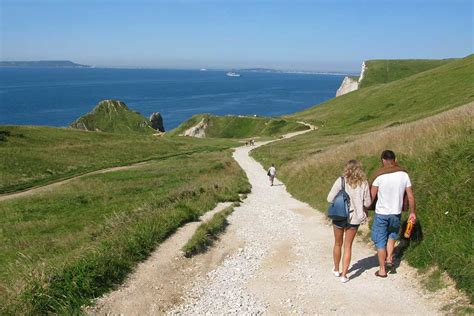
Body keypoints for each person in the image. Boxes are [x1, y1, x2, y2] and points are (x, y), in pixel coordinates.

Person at [370, 150, 416, 278]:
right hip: (396, 213)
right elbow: (411, 196)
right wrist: (412, 212)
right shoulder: (403, 174)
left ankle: (382, 270)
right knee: (391, 237)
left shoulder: (378, 175)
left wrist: (363, 210)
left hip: (381, 214)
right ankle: (389, 258)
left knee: (380, 241)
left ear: (383, 160)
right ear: (395, 159)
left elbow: (371, 197)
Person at [327, 160, 371, 283]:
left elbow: (329, 198)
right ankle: (344, 275)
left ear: (346, 168)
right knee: (348, 246)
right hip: (355, 218)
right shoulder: (364, 183)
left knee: (337, 244)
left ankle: (336, 269)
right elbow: (367, 203)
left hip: (340, 216)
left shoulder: (340, 181)